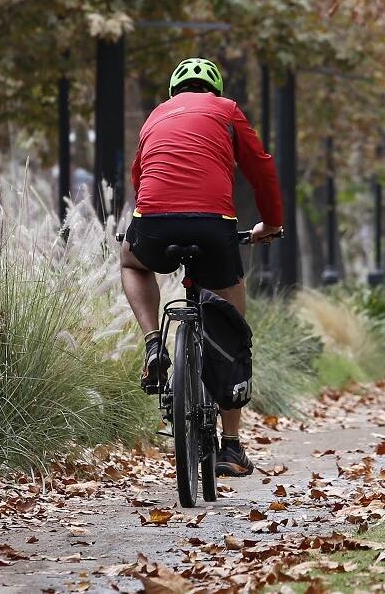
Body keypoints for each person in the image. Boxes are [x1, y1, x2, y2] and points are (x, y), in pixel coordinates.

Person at [121, 57, 283, 477]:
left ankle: (155, 342)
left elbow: (139, 179)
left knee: (132, 262)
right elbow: (260, 166)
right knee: (229, 325)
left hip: (154, 221)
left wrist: (157, 217)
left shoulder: (155, 115)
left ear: (176, 90)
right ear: (214, 89)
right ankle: (230, 446)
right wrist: (272, 222)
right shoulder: (227, 110)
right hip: (214, 226)